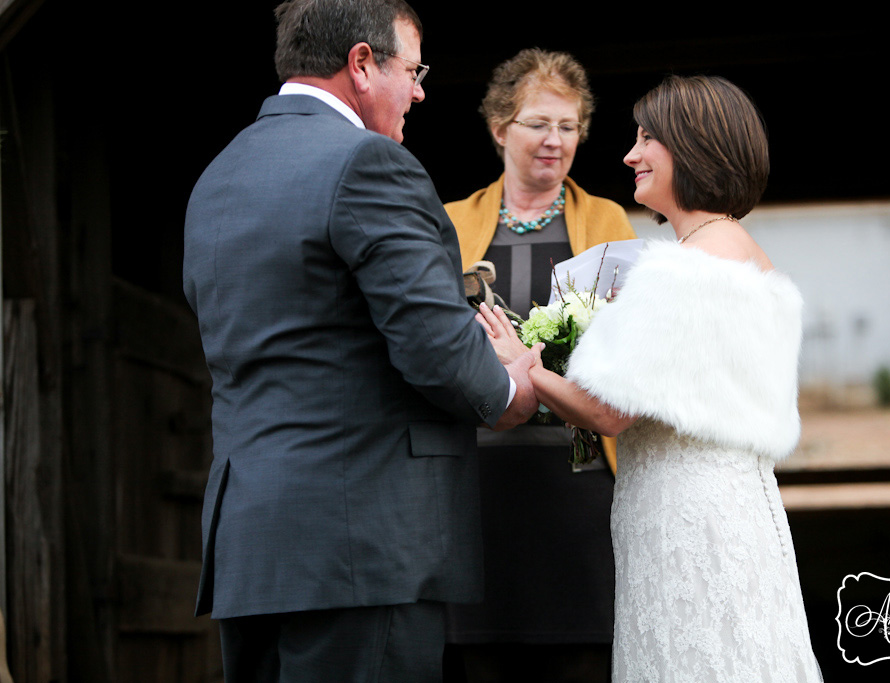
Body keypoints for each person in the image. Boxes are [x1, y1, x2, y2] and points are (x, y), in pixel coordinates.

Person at [182, 1, 540, 681]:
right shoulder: (368, 164)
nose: (421, 89)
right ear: (362, 64)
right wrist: (508, 387)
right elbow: (434, 346)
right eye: (413, 69)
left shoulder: (217, 179)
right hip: (361, 543)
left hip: (253, 549)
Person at [476, 74, 823, 682]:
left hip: (685, 521)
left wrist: (523, 364)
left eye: (646, 139)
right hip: (736, 509)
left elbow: (611, 413)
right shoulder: (743, 253)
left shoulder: (684, 268)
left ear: (692, 147)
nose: (631, 154)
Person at [442, 49, 636, 682]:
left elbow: (627, 354)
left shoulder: (607, 222)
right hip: (474, 490)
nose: (555, 141)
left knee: (581, 658)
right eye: (539, 123)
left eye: (569, 126)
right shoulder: (446, 225)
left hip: (577, 489)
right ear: (500, 127)